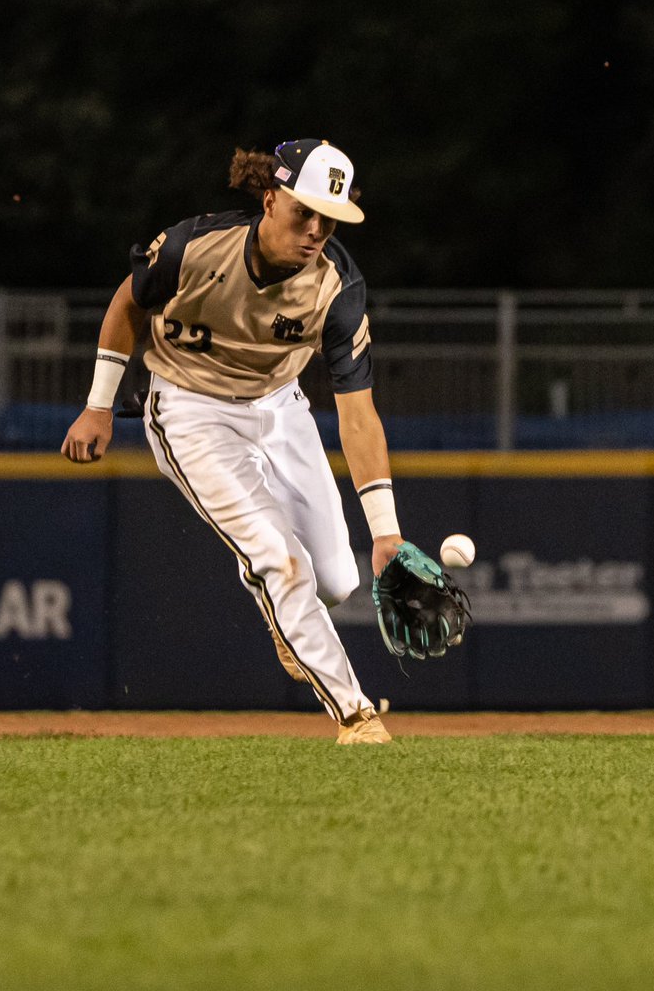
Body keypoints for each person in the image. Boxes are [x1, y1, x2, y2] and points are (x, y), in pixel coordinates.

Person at [62, 138, 407, 745]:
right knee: (281, 559)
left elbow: (359, 415)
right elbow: (128, 303)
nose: (315, 230)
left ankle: (274, 589)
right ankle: (355, 715)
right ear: (270, 199)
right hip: (189, 408)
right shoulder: (196, 245)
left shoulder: (336, 289)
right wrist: (97, 406)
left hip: (279, 405)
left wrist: (385, 531)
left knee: (338, 581)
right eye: (303, 212)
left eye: (329, 219)